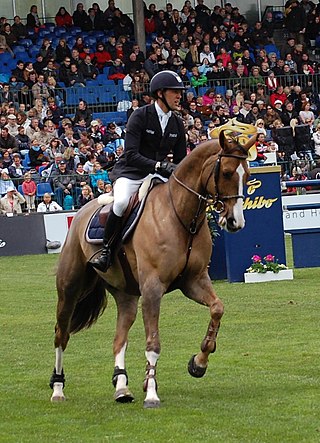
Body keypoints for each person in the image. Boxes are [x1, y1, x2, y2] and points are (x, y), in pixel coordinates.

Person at [91, 70, 187, 271]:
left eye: (180, 92)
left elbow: (180, 160)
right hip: (131, 172)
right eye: (175, 91)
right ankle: (107, 251)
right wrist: (159, 165)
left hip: (159, 176)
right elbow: (131, 154)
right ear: (160, 93)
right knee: (122, 202)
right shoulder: (140, 115)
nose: (180, 96)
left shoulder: (177, 122)